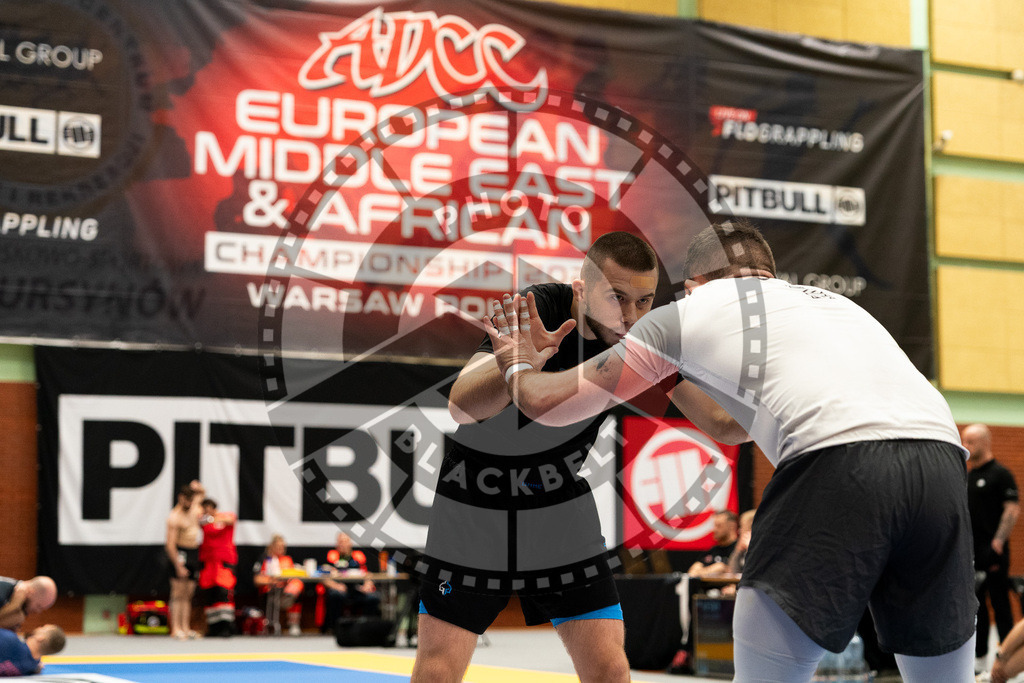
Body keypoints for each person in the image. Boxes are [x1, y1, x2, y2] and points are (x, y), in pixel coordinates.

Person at [487, 220, 977, 682]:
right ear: (770, 274)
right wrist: (669, 372)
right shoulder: (835, 305)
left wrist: (516, 364)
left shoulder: (684, 313)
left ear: (695, 283)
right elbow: (729, 426)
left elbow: (547, 405)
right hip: (943, 462)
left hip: (838, 460)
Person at [413, 231, 688, 683]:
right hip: (474, 498)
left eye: (643, 302)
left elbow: (720, 422)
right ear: (581, 289)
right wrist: (518, 368)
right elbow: (461, 405)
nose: (631, 316)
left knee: (610, 670)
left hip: (558, 503)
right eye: (616, 297)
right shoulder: (540, 306)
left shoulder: (646, 340)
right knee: (439, 671)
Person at [964, 423, 1019, 670]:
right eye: (964, 441)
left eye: (970, 441)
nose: (966, 446)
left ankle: (1007, 661)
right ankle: (980, 662)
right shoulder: (967, 476)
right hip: (971, 553)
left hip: (993, 552)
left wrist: (997, 542)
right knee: (977, 609)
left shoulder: (1001, 474)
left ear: (985, 442)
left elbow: (1011, 510)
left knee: (1000, 605)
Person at [165, 480, 205, 640]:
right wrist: (178, 565)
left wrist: (198, 486)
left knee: (188, 594)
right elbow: (170, 545)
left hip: (193, 551)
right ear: (180, 498)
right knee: (178, 593)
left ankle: (186, 627)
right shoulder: (174, 517)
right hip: (179, 553)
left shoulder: (195, 507)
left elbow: (201, 494)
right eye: (186, 499)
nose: (188, 502)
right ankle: (175, 628)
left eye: (191, 499)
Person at [320, 532, 379, 632]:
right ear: (337, 544)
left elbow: (368, 574)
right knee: (334, 595)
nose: (343, 544)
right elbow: (323, 576)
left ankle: (367, 628)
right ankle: (335, 628)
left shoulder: (358, 556)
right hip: (340, 589)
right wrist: (335, 586)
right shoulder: (332, 556)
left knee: (373, 597)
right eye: (341, 542)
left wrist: (367, 584)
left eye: (345, 541)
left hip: (357, 589)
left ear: (350, 543)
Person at [198, 499, 237, 637]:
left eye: (209, 508)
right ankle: (213, 627)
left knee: (224, 594)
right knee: (210, 596)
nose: (206, 511)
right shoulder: (203, 521)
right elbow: (199, 520)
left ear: (214, 508)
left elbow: (231, 520)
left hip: (224, 563)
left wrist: (213, 518)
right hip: (208, 564)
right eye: (204, 508)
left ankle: (227, 627)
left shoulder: (225, 516)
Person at [254, 534, 304, 636]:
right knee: (277, 592)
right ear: (272, 546)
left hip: (285, 591)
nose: (281, 549)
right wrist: (272, 581)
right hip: (269, 592)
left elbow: (291, 575)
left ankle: (293, 624)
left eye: (283, 547)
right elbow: (257, 580)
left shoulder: (287, 559)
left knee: (298, 583)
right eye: (279, 547)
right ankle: (272, 624)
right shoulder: (266, 559)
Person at [687, 510, 739, 578]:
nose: (714, 530)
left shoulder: (739, 549)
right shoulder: (712, 551)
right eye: (714, 525)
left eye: (719, 526)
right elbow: (692, 573)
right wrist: (713, 569)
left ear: (732, 526)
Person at [0, 624, 65, 676]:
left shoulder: (9, 640)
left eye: (42, 627)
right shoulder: (32, 668)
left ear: (41, 637)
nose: (39, 627)